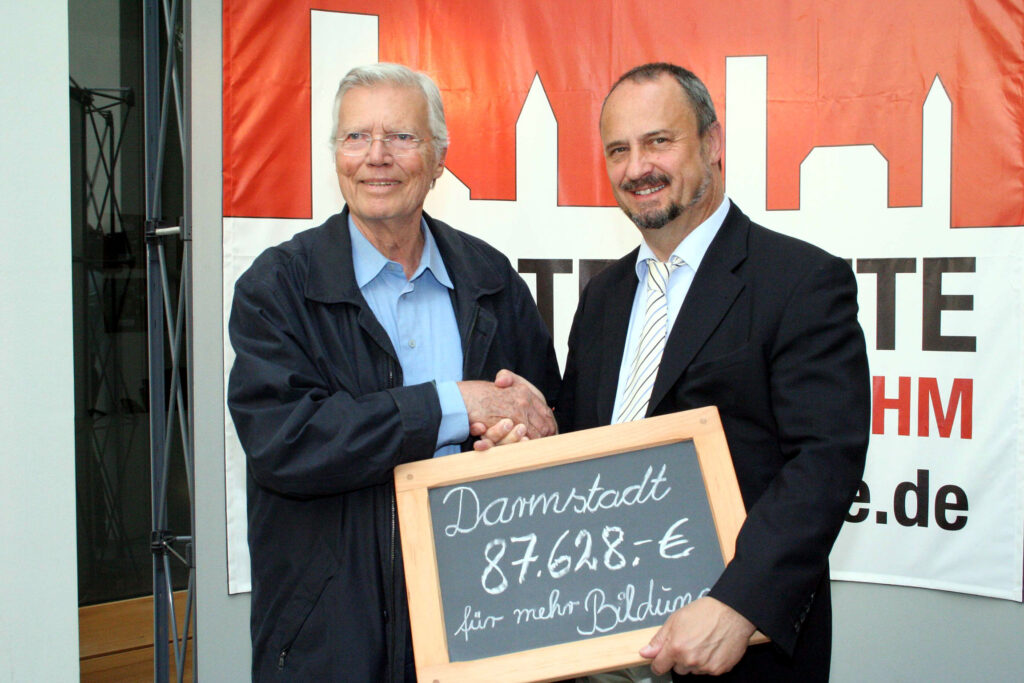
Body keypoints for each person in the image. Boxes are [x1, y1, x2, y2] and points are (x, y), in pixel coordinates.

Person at [488, 62, 870, 680]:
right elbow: (590, 450)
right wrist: (536, 433)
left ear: (712, 143)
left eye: (658, 141)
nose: (637, 167)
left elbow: (824, 464)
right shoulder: (603, 297)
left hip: (733, 648)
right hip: (595, 638)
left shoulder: (800, 281)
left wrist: (738, 605)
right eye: (619, 149)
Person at [227, 62, 560, 681]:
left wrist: (519, 436)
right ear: (336, 156)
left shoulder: (492, 281)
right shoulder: (278, 287)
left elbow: (548, 425)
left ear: (439, 159)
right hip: (334, 644)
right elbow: (287, 442)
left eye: (402, 137)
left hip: (482, 622)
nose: (376, 156)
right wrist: (455, 406)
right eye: (356, 137)